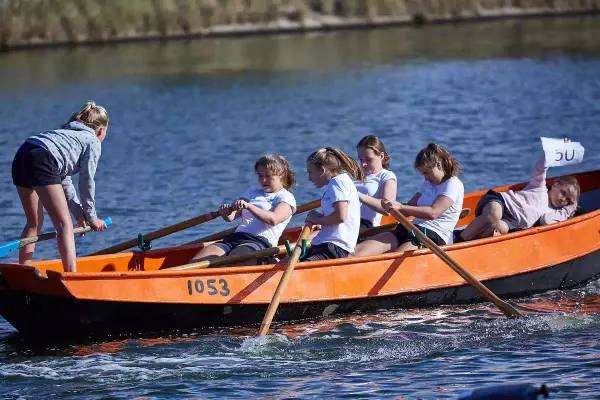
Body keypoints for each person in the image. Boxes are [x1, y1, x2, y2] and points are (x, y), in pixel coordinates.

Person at [12, 101, 109, 272]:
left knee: (33, 222)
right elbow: (86, 181)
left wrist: (80, 213)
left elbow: (63, 181)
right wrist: (92, 217)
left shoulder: (66, 134)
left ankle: (22, 271)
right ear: (101, 130)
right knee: (65, 225)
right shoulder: (92, 141)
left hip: (23, 154)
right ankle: (71, 276)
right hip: (42, 159)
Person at [354, 143, 463, 256]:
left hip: (433, 235)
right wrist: (391, 205)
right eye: (422, 174)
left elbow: (433, 212)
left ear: (438, 165)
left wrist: (401, 207)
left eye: (426, 173)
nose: (425, 177)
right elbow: (410, 206)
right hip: (410, 228)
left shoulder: (452, 184)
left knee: (392, 259)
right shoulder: (427, 183)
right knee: (360, 250)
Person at [459, 142, 580, 241]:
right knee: (494, 215)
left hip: (512, 221)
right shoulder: (540, 187)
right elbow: (541, 168)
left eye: (568, 200)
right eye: (563, 193)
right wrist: (554, 152)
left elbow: (547, 221)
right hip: (502, 202)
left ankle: (470, 242)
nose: (563, 199)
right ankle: (460, 239)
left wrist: (570, 208)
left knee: (500, 228)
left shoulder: (554, 213)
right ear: (555, 185)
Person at [190, 155, 296, 265]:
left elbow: (273, 219)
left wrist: (249, 206)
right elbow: (230, 217)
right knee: (197, 262)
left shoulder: (286, 197)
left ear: (281, 175)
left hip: (261, 242)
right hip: (235, 238)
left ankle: (270, 261)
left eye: (268, 176)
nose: (263, 180)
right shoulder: (251, 194)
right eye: (260, 176)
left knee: (234, 259)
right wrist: (226, 212)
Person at [301, 147, 365, 261]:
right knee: (287, 262)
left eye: (310, 173)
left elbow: (340, 217)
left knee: (299, 269)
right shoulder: (340, 181)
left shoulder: (337, 182)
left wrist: (317, 219)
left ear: (322, 169)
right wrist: (319, 218)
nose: (309, 178)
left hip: (334, 247)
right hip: (327, 244)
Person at [355, 135, 397, 230]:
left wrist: (358, 195)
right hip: (343, 221)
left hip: (365, 227)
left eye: (368, 159)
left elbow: (388, 209)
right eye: (361, 159)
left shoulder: (386, 176)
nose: (363, 164)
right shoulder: (354, 176)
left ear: (381, 156)